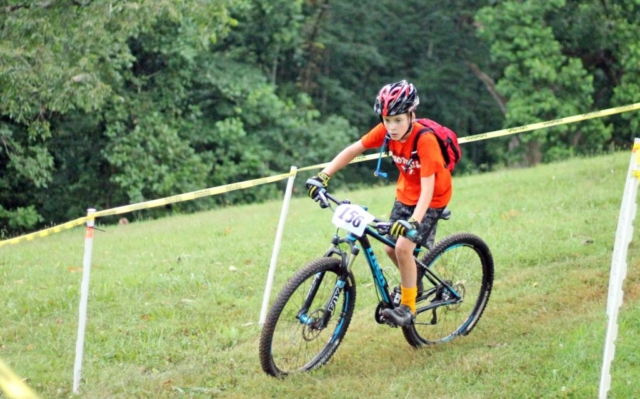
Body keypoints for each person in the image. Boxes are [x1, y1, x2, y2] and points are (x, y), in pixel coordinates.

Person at [306, 80, 452, 326]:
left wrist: (413, 221)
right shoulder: (385, 131)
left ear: (411, 115)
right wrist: (323, 175)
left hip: (432, 198)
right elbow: (354, 149)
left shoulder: (425, 141)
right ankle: (414, 282)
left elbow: (428, 188)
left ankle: (408, 307)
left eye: (398, 120)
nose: (392, 127)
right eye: (387, 120)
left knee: (404, 247)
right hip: (406, 194)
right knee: (389, 247)